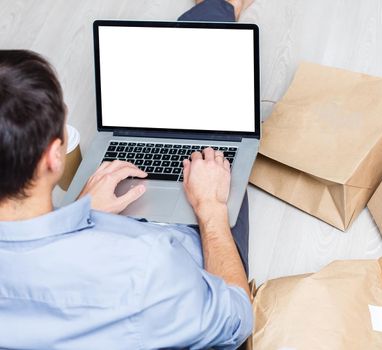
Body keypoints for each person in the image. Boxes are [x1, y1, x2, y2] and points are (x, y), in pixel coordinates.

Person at [0, 0, 254, 349]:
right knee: (215, 142)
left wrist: (82, 212)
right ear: (53, 157)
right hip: (182, 281)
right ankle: (218, 8)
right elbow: (237, 320)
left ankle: (214, 9)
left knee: (158, 122)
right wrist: (211, 212)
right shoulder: (147, 262)